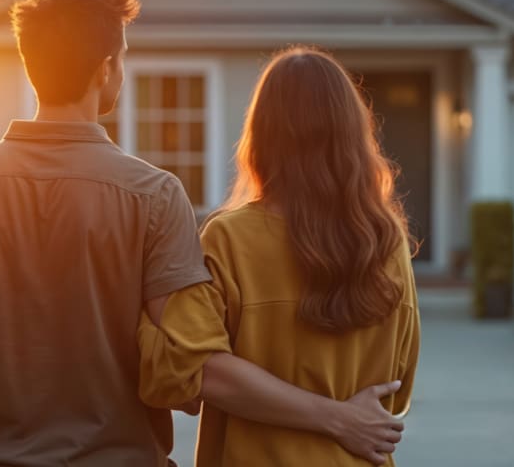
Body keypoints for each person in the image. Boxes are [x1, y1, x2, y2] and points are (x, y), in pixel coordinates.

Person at [0, 0, 404, 466]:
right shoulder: (152, 194)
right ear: (106, 68)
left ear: (31, 64)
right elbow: (184, 365)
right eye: (123, 57)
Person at [139, 47, 421, 466]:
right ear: (351, 134)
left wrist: (151, 305)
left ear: (263, 134)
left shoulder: (229, 237)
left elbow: (189, 371)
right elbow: (396, 388)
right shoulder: (386, 240)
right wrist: (340, 417)